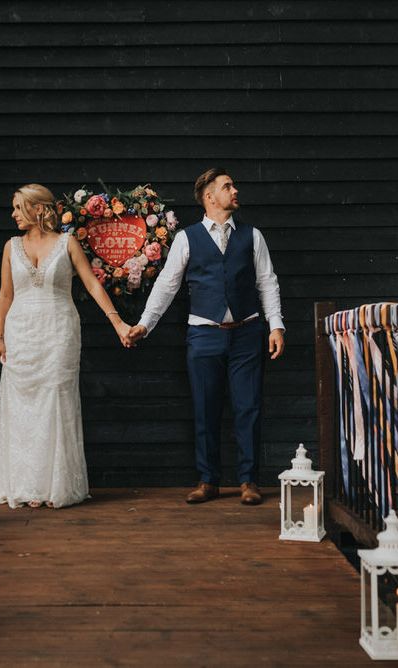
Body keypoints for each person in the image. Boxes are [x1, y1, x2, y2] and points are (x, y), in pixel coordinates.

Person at [0, 184, 133, 509]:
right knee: (23, 405)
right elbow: (6, 294)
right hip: (21, 332)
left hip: (58, 329)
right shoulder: (10, 246)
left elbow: (91, 283)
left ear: (39, 209)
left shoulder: (66, 243)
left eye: (18, 207)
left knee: (55, 396)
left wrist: (117, 322)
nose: (13, 214)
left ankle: (54, 485)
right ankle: (28, 484)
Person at [127, 169, 285, 505]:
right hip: (203, 335)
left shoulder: (252, 236)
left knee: (248, 408)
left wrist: (275, 325)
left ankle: (248, 481)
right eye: (228, 186)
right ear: (210, 196)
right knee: (205, 408)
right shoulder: (187, 238)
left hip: (246, 333)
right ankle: (208, 480)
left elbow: (267, 282)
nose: (235, 189)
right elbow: (167, 285)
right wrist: (145, 324)